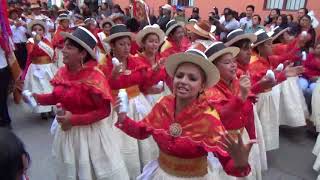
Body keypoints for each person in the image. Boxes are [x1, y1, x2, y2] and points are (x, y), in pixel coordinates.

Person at [114, 48, 255, 179]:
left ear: (202, 86)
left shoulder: (208, 118)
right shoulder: (163, 105)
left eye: (192, 78)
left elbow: (229, 166)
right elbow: (141, 132)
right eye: (179, 76)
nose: (183, 81)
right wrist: (123, 118)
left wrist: (240, 162)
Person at [29, 27, 129, 179]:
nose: (63, 50)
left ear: (82, 53)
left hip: (91, 135)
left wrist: (73, 119)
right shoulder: (62, 72)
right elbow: (56, 96)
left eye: (69, 47)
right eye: (64, 45)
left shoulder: (94, 77)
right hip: (67, 135)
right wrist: (36, 98)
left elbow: (104, 111)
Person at [103, 24, 164, 179]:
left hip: (139, 104)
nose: (126, 48)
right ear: (112, 45)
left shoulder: (136, 62)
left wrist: (155, 71)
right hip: (118, 107)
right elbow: (101, 89)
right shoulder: (105, 64)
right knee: (123, 145)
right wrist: (113, 78)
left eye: (128, 44)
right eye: (121, 44)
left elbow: (144, 84)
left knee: (144, 143)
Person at [249, 30, 304, 151]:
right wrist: (283, 74)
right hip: (262, 98)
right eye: (269, 44)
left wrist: (297, 46)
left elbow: (284, 57)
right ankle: (258, 147)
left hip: (269, 96)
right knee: (261, 123)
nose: (272, 46)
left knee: (267, 122)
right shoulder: (255, 64)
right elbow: (262, 84)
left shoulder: (269, 58)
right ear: (260, 47)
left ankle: (263, 147)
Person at [224, 29, 268, 172]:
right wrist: (256, 89)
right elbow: (232, 104)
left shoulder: (245, 68)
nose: (250, 51)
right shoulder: (233, 73)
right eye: (245, 49)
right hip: (234, 129)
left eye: (250, 48)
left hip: (246, 119)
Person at [21, 20, 57, 120]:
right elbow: (32, 54)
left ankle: (50, 109)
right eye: (35, 29)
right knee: (39, 89)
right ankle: (42, 111)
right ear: (32, 31)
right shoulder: (30, 42)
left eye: (40, 29)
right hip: (37, 68)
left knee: (50, 88)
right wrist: (37, 43)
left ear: (43, 31)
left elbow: (52, 53)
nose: (38, 31)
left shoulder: (47, 41)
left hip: (48, 67)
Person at [135, 24, 171, 106]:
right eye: (150, 41)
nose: (154, 44)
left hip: (162, 97)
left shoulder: (161, 58)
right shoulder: (136, 60)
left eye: (156, 42)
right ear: (143, 43)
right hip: (143, 100)